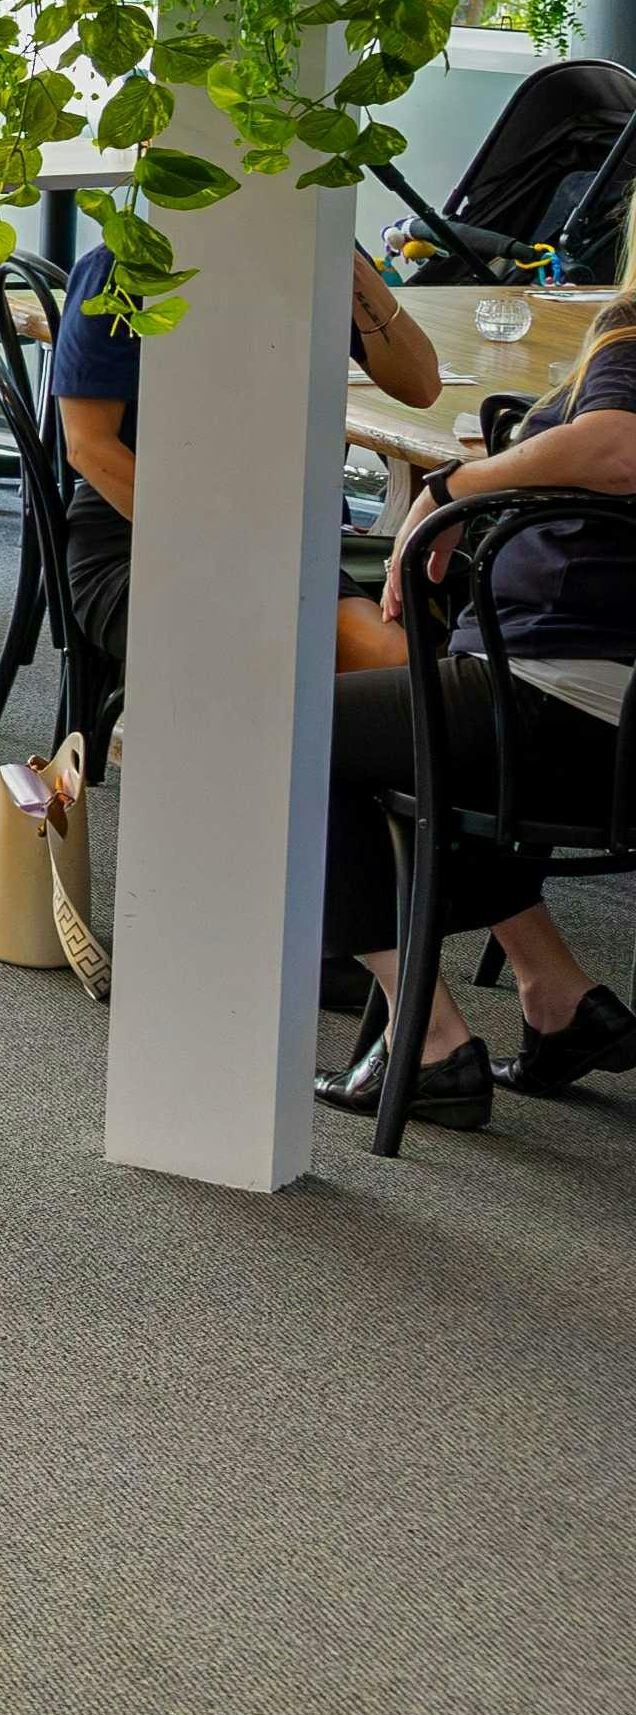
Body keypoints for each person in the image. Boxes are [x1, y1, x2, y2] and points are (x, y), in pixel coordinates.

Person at [309, 294, 636, 1128]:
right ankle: (559, 999)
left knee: (277, 735)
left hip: (563, 699)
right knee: (404, 740)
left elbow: (619, 447)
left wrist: (454, 485)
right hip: (582, 701)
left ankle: (431, 1046)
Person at [48, 236, 441, 735]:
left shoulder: (302, 242)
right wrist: (230, 548)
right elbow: (88, 448)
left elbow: (421, 385)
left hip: (278, 541)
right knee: (268, 659)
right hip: (139, 539)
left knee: (396, 668)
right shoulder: (123, 265)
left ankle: (345, 802)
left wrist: (360, 278)